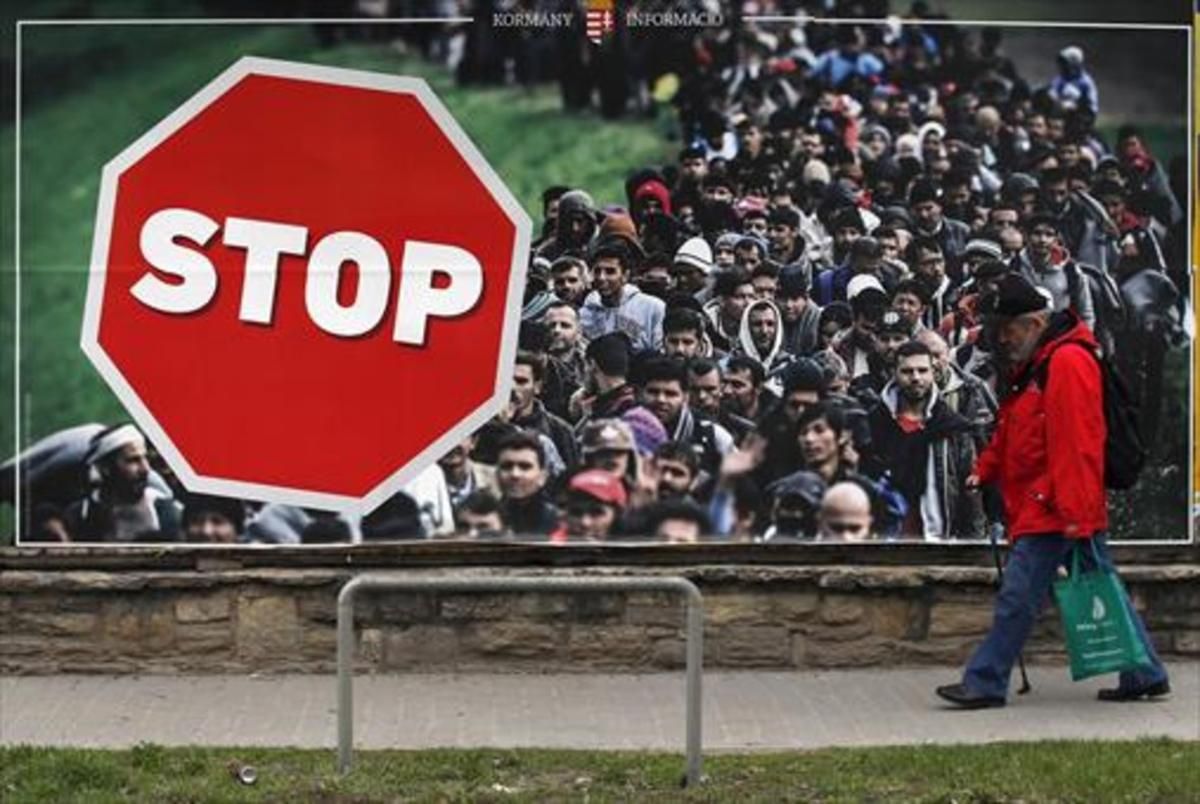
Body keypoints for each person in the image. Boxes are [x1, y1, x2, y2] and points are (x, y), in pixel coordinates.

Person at [936, 273, 1169, 708]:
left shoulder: (1065, 363)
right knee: (1101, 587)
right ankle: (1145, 673)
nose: (1000, 339)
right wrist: (985, 468)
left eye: (1007, 329)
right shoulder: (1040, 362)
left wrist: (1076, 513)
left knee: (1018, 597)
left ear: (1034, 324)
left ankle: (985, 681)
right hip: (1057, 506)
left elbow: (1078, 442)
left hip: (1056, 509)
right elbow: (1018, 427)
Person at [868, 341, 984, 541]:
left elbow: (970, 491)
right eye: (907, 371)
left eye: (922, 370)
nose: (915, 378)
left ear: (933, 373)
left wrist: (973, 544)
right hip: (882, 538)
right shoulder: (875, 422)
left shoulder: (953, 428)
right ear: (894, 373)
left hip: (937, 538)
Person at [63, 424, 181, 542]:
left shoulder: (163, 510)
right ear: (105, 467)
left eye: (145, 458)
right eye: (133, 460)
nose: (145, 469)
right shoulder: (80, 514)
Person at [579, 235, 664, 352]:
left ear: (625, 276)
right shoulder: (585, 313)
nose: (601, 277)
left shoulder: (652, 308)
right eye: (597, 271)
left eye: (610, 271)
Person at [495, 432, 558, 537]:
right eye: (507, 466)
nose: (515, 474)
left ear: (543, 476)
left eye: (525, 467)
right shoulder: (482, 520)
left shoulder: (560, 523)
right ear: (497, 474)